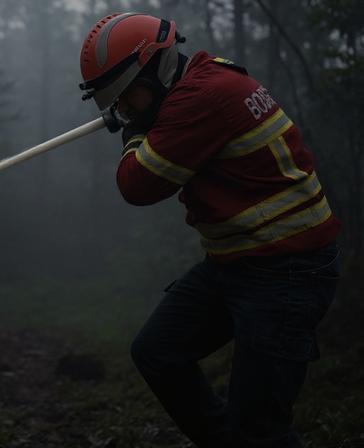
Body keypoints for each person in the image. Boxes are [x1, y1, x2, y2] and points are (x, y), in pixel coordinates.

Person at [78, 12, 341, 448]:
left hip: (289, 271)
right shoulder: (204, 79)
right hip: (239, 263)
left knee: (260, 429)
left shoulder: (201, 98)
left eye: (130, 98)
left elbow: (138, 184)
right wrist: (138, 117)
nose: (125, 109)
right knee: (158, 351)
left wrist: (133, 132)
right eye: (118, 104)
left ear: (156, 68)